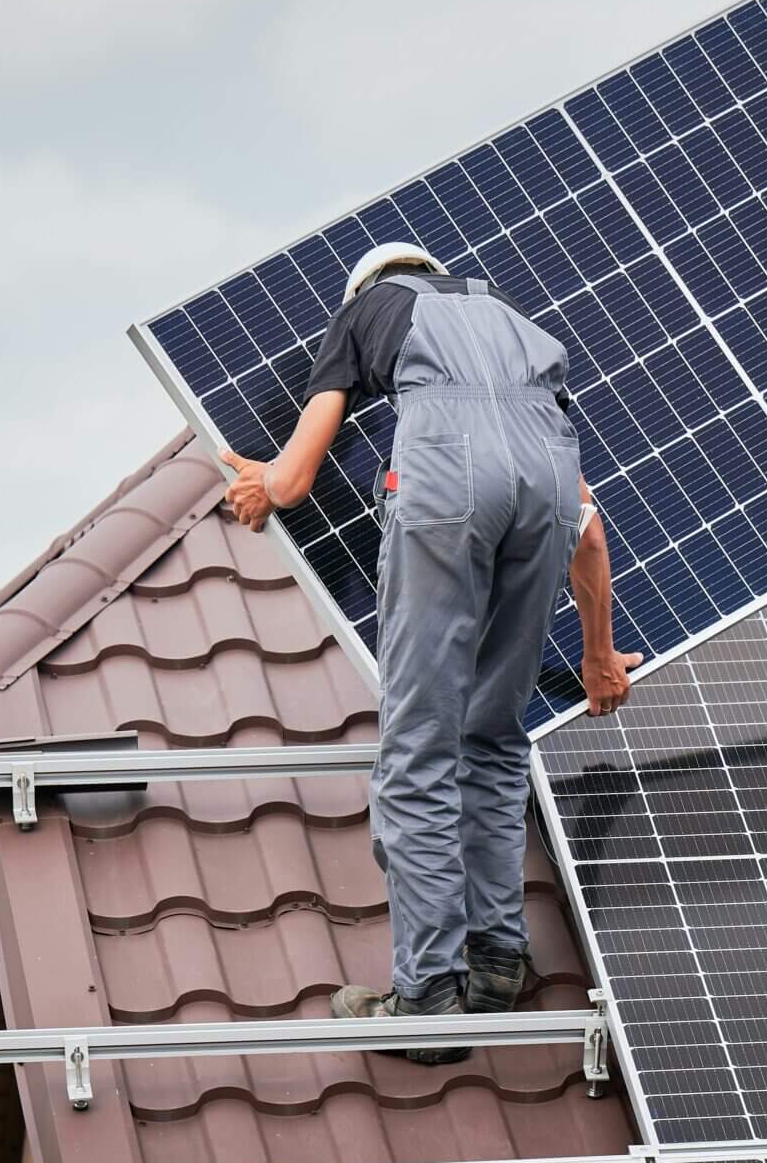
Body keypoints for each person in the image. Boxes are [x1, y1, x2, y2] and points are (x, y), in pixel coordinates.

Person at [219, 241, 640, 1064]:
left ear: (372, 286)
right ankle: (497, 963)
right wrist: (598, 655)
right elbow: (586, 525)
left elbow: (297, 477)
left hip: (448, 485)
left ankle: (428, 998)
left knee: (417, 751)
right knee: (492, 737)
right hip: (547, 488)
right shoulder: (521, 329)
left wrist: (257, 487)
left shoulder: (367, 310)